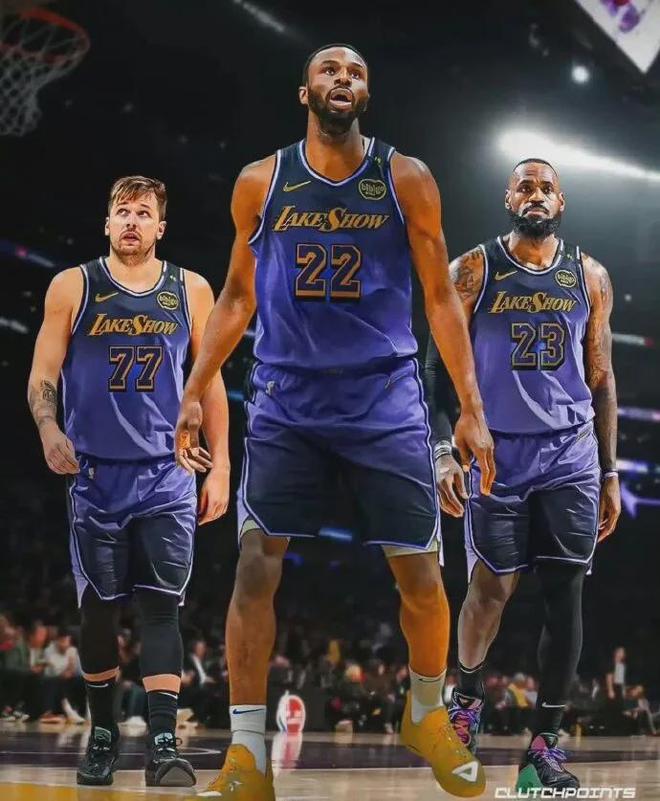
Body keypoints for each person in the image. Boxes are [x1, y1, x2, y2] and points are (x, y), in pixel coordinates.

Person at [176, 43, 494, 800]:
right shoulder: (261, 180)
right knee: (255, 564)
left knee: (421, 576)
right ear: (305, 92)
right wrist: (195, 386)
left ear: (366, 95)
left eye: (355, 72)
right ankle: (247, 754)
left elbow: (441, 298)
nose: (342, 78)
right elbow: (236, 296)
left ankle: (426, 712)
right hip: (287, 398)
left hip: (384, 398)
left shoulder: (405, 177)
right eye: (329, 70)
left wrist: (472, 409)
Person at [424, 158, 621, 790]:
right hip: (495, 454)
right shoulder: (473, 270)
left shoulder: (590, 276)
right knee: (490, 589)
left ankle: (543, 749)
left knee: (566, 595)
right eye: (525, 186)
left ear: (561, 203)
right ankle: (467, 698)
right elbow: (435, 365)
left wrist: (610, 471)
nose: (536, 195)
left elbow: (601, 378)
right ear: (508, 198)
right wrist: (442, 450)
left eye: (547, 188)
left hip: (570, 455)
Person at [27, 176, 230, 787]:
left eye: (144, 212)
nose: (133, 221)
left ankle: (163, 744)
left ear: (160, 227)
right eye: (123, 211)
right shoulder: (73, 285)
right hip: (94, 475)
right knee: (97, 612)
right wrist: (48, 427)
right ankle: (104, 736)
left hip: (167, 472)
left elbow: (211, 380)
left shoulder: (191, 288)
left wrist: (222, 464)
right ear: (107, 223)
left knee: (161, 608)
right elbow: (43, 372)